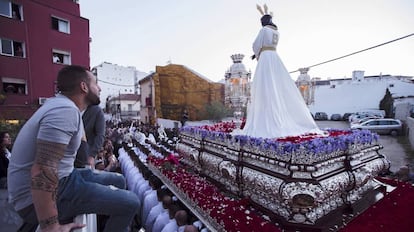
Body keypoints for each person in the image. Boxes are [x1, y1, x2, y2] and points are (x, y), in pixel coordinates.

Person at [7, 65, 139, 232]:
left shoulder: (65, 107)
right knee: (131, 202)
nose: (99, 88)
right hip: (35, 200)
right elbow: (43, 169)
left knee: (119, 180)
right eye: (95, 83)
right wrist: (51, 226)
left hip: (66, 176)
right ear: (83, 87)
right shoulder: (64, 111)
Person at [240, 5, 322, 139]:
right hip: (275, 57)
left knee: (265, 86)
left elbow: (255, 45)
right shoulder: (277, 32)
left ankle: (267, 120)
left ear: (263, 22)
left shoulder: (264, 30)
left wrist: (257, 54)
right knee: (278, 86)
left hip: (266, 58)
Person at [75, 104, 106, 168]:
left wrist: (92, 155)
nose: (99, 93)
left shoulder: (97, 111)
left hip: (86, 159)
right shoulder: (70, 108)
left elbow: (100, 135)